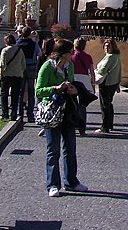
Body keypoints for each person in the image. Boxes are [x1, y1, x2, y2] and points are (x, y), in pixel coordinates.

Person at [35, 39, 88, 196]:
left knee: (70, 148)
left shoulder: (69, 66)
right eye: (70, 52)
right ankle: (52, 184)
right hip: (52, 112)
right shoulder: (47, 67)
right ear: (63, 54)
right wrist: (55, 88)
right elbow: (39, 91)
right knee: (53, 150)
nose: (72, 55)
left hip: (67, 111)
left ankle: (71, 181)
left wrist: (73, 89)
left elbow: (71, 83)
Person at [94, 38, 122, 134]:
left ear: (113, 47)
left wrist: (95, 73)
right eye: (105, 46)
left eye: (108, 46)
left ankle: (105, 126)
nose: (106, 48)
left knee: (104, 105)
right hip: (113, 83)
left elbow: (103, 70)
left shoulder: (110, 57)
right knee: (109, 104)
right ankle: (110, 124)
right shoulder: (116, 56)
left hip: (106, 83)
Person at [71, 37, 96, 135]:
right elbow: (92, 72)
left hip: (75, 80)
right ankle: (82, 128)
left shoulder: (72, 57)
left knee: (73, 105)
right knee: (83, 106)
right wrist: (93, 84)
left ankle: (73, 125)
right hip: (85, 80)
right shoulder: (88, 57)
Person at [0, 34, 26, 121]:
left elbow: (3, 64)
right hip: (18, 75)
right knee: (15, 96)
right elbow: (23, 65)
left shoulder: (5, 50)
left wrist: (1, 74)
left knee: (4, 94)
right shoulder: (20, 50)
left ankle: (5, 113)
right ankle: (14, 114)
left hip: (7, 75)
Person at [17, 27, 40, 121]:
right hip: (31, 67)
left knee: (21, 91)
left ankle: (20, 113)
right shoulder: (34, 44)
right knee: (31, 91)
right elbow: (39, 53)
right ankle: (30, 114)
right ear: (30, 34)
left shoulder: (18, 43)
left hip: (21, 67)